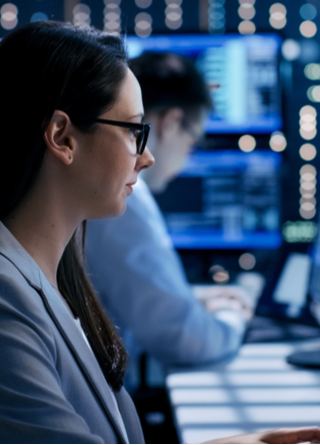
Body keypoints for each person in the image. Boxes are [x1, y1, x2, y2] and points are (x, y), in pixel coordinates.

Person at [0, 20, 319, 445]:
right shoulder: (7, 300)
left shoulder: (50, 280)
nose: (146, 157)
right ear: (62, 137)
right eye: (134, 131)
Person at [85, 52, 251, 389]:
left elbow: (125, 292)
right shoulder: (123, 199)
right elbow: (185, 339)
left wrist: (193, 296)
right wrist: (235, 316)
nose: (145, 158)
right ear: (171, 122)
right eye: (194, 141)